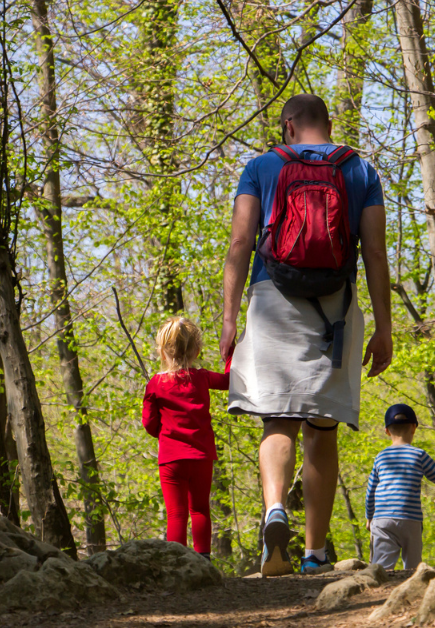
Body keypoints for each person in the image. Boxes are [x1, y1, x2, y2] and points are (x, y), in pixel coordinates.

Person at [219, 94, 393, 576]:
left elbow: (240, 241)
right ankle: (315, 552)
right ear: (328, 124)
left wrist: (230, 318)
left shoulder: (261, 167)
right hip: (333, 309)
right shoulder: (358, 170)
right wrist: (383, 327)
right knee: (322, 429)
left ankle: (275, 510)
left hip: (273, 299)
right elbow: (375, 253)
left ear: (288, 126)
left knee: (277, 421)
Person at [142, 317, 230, 559]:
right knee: (200, 509)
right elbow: (229, 380)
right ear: (196, 350)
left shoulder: (155, 384)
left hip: (171, 460)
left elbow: (149, 424)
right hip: (201, 456)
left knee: (176, 513)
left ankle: (177, 562)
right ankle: (203, 558)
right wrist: (230, 354)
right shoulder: (202, 377)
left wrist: (165, 434)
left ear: (161, 352)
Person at [365, 404, 435, 570]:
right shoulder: (419, 455)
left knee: (381, 569)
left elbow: (371, 490)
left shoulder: (380, 457)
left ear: (386, 431)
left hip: (382, 519)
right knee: (413, 568)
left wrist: (369, 516)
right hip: (410, 518)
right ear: (414, 428)